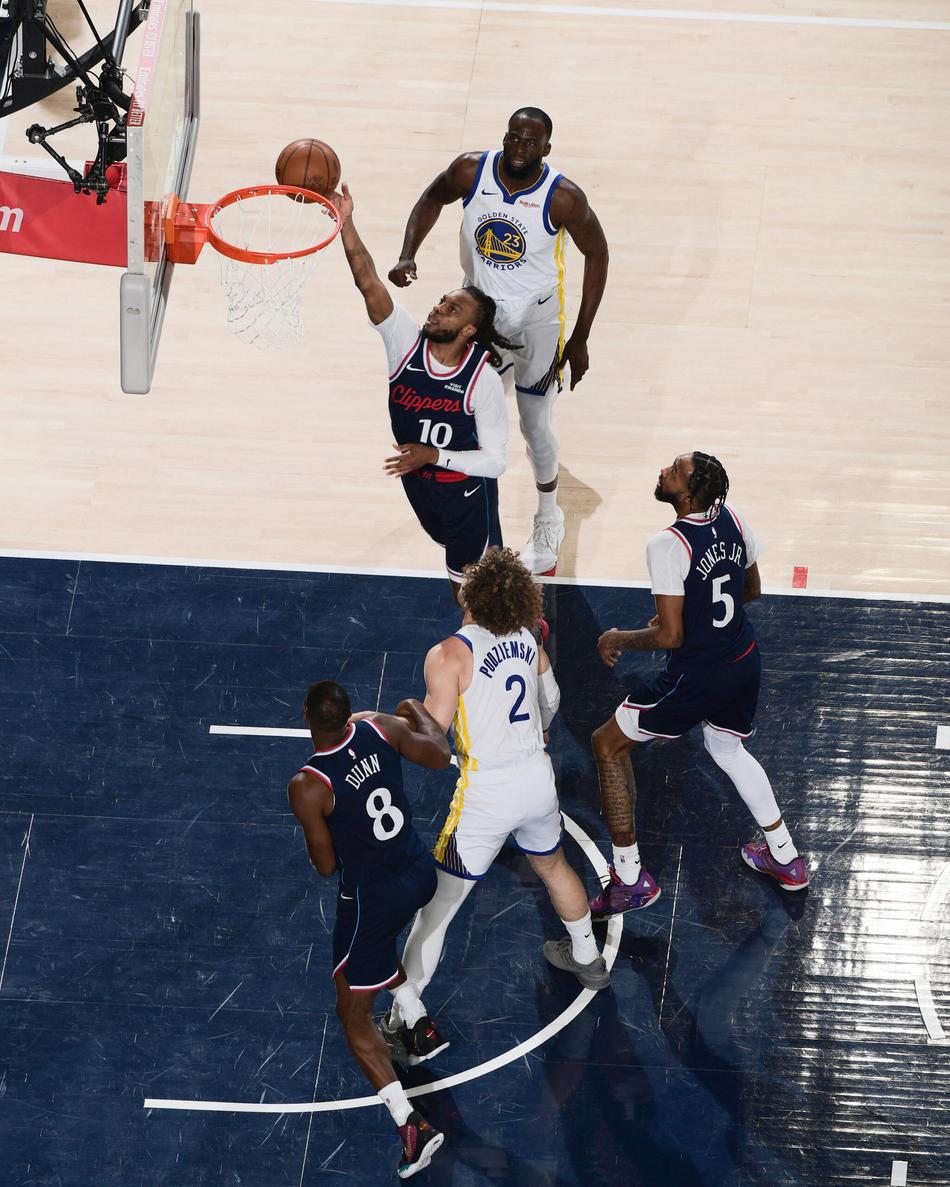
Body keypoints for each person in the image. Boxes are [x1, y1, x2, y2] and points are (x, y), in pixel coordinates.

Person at [383, 547, 610, 1050]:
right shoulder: (528, 639)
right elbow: (550, 700)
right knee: (554, 866)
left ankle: (406, 1014)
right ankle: (588, 957)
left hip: (486, 794)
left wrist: (393, 723)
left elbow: (434, 737)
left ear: (470, 593)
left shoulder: (448, 654)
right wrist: (541, 732)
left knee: (439, 909)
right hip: (536, 778)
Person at [588, 452, 809, 921]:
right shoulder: (732, 518)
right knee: (726, 749)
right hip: (743, 659)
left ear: (685, 496)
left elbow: (670, 637)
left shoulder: (668, 545)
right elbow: (749, 590)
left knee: (607, 744)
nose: (663, 470)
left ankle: (629, 879)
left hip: (699, 673)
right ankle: (786, 858)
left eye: (674, 471)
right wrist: (691, 611)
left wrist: (617, 638)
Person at [388, 107, 609, 576]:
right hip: (480, 318)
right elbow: (431, 197)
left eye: (530, 143)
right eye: (513, 138)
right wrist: (408, 253)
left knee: (533, 426)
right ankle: (473, 519)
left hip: (536, 325)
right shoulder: (472, 169)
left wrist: (581, 337)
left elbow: (599, 254)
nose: (519, 148)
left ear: (546, 149)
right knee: (467, 415)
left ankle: (549, 517)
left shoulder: (562, 197)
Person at [287, 681, 453, 1179]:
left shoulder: (307, 784)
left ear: (306, 718)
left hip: (373, 897)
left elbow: (324, 866)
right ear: (347, 713)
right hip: (420, 872)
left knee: (352, 1013)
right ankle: (416, 1021)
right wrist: (415, 711)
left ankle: (410, 1126)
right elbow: (441, 754)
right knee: (373, 944)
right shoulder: (378, 726)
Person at [334, 183, 516, 603]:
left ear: (469, 330)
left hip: (465, 491)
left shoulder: (481, 379)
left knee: (468, 595)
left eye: (453, 309)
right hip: (420, 485)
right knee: (492, 573)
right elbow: (368, 281)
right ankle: (520, 613)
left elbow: (495, 462)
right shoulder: (405, 343)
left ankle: (513, 648)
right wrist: (346, 223)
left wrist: (433, 455)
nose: (437, 308)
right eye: (440, 302)